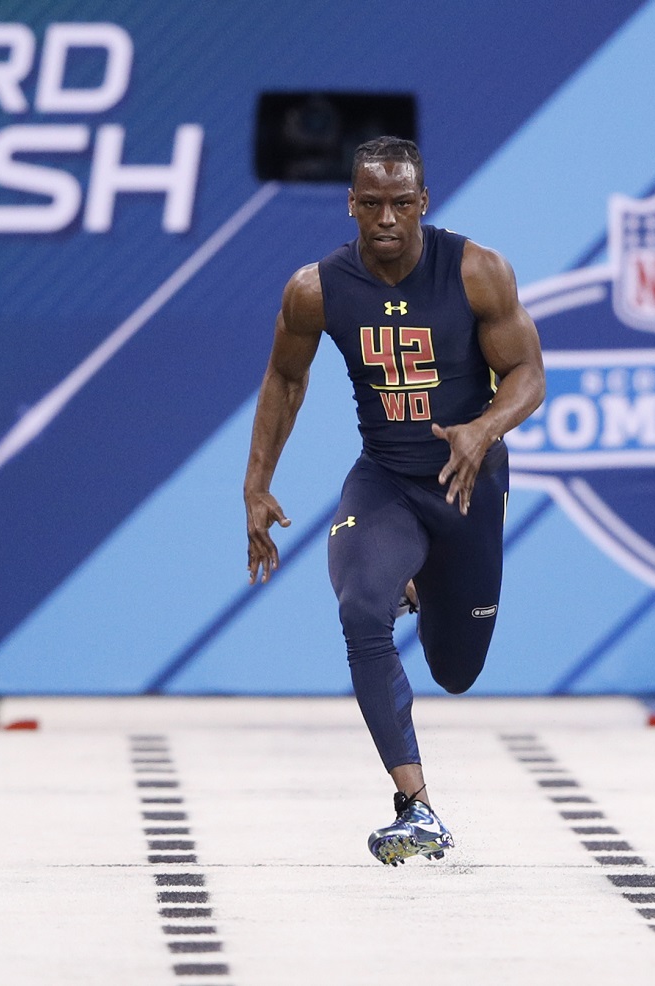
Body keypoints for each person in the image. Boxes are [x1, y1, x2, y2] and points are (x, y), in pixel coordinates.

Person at [244, 136, 545, 865]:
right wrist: (256, 483)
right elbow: (285, 381)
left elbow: (529, 373)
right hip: (384, 480)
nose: (385, 218)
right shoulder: (315, 289)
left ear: (423, 204)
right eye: (370, 203)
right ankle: (417, 806)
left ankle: (423, 580)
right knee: (358, 606)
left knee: (455, 671)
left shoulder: (477, 271)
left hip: (467, 484)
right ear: (350, 205)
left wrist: (484, 427)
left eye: (400, 203)